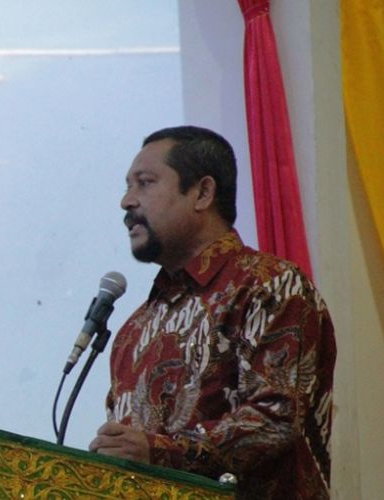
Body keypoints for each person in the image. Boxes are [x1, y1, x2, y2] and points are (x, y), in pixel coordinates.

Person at [88, 126, 336, 499]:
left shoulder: (269, 287)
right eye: (127, 186)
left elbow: (274, 419)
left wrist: (158, 452)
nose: (127, 201)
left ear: (203, 193)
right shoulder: (133, 331)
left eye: (145, 183)